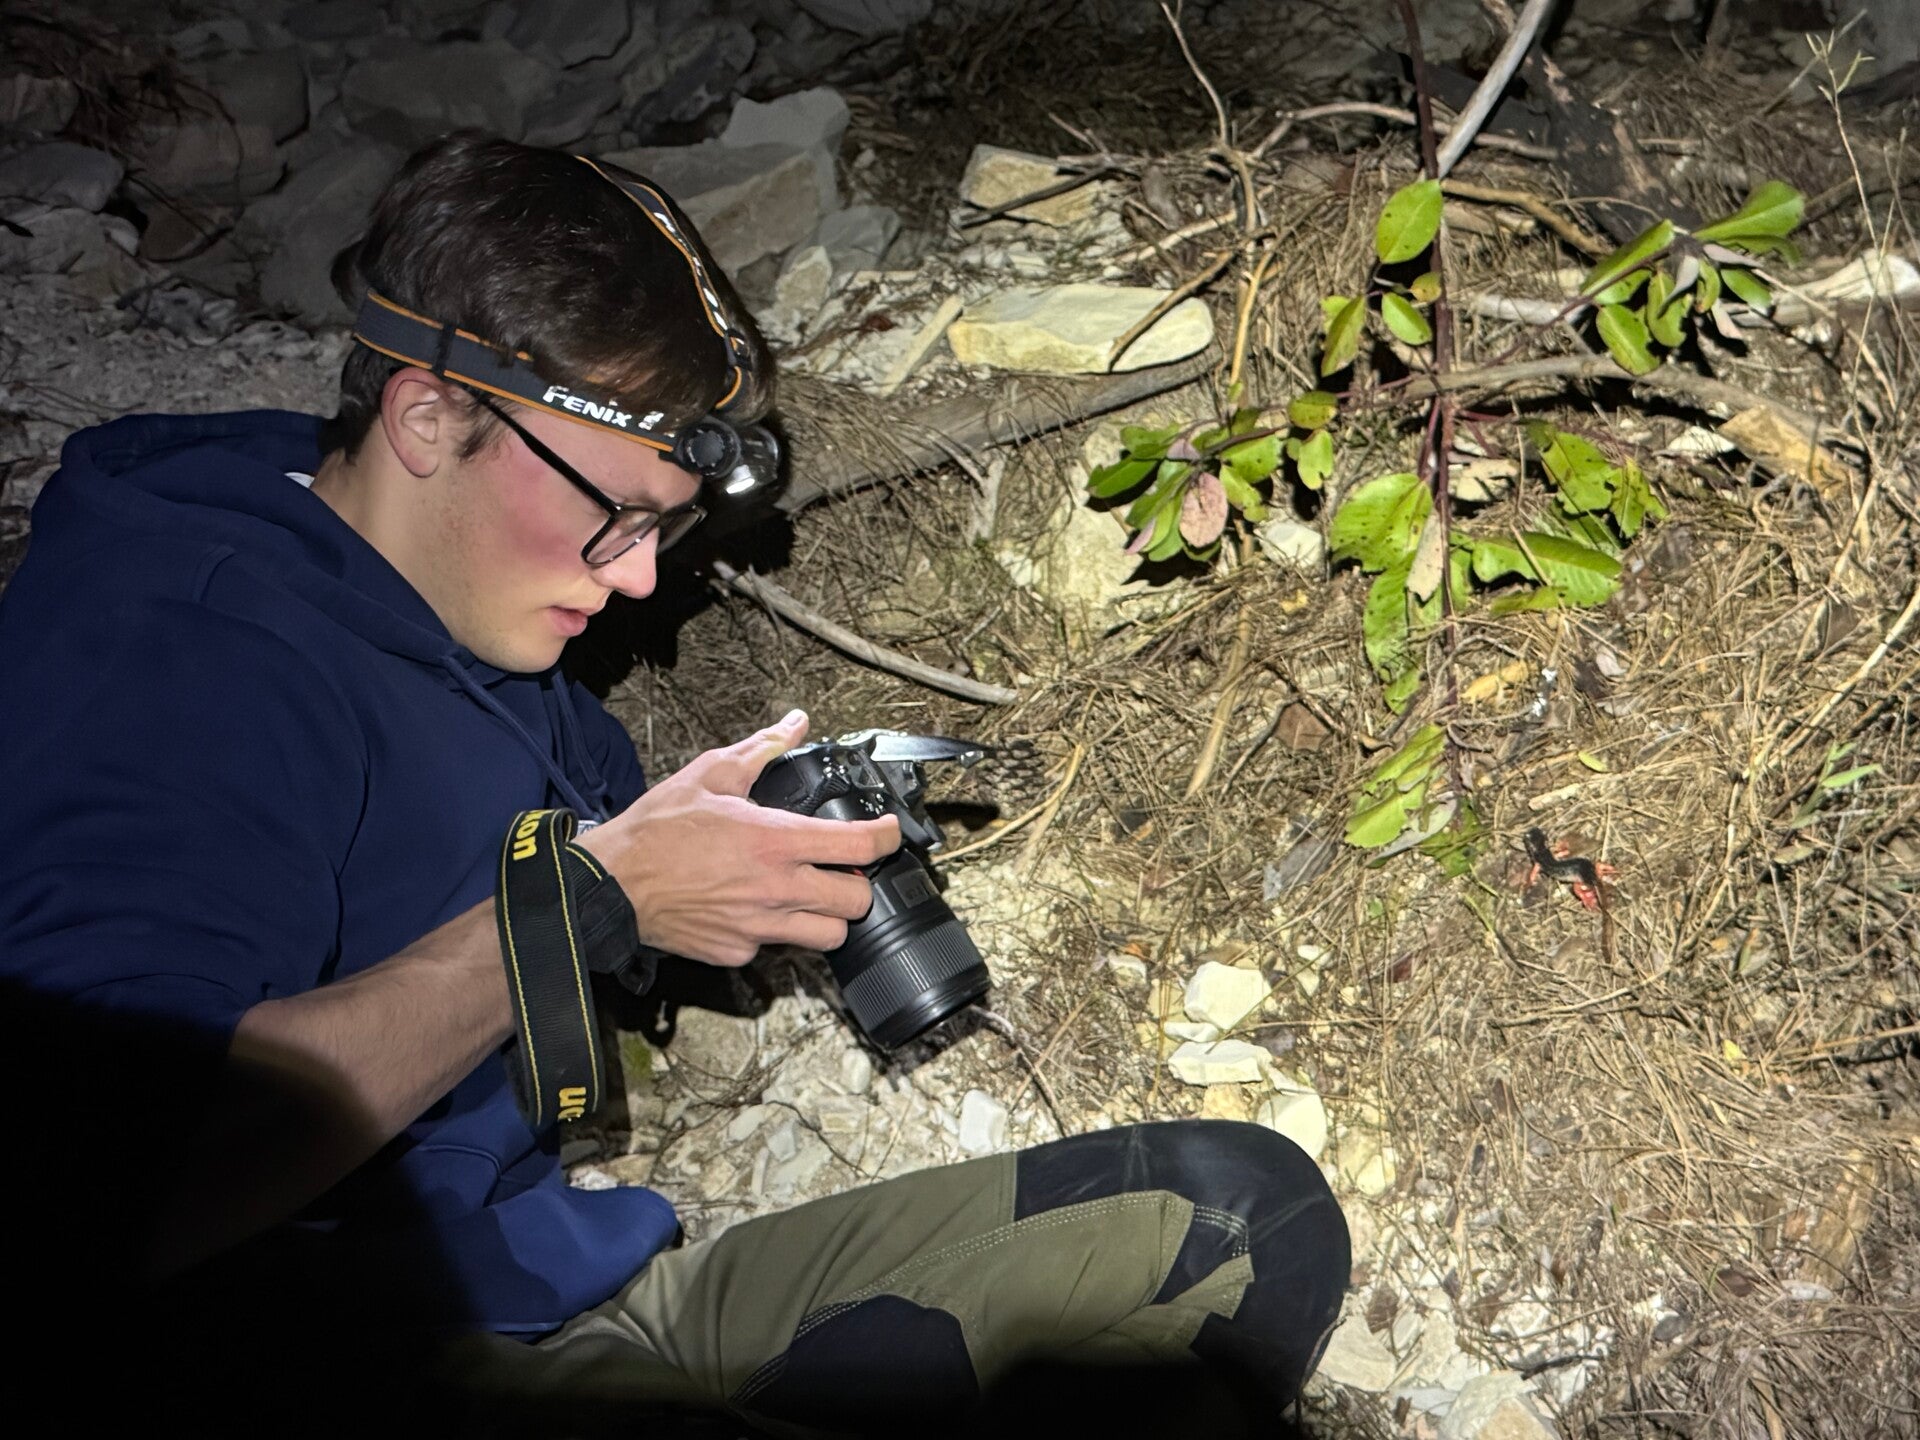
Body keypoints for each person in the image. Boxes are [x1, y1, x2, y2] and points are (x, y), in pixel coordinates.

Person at [0, 133, 1348, 1436]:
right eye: (615, 517)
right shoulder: (178, 657)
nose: (641, 575)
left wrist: (737, 851)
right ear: (428, 416)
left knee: (1237, 1221)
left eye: (664, 523)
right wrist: (583, 905)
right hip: (313, 1352)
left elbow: (576, 868)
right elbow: (114, 1187)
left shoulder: (473, 609)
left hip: (555, 1288)